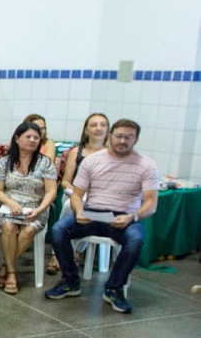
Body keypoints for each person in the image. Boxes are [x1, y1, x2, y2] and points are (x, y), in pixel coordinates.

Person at [45, 119, 159, 313]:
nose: (122, 140)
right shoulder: (92, 161)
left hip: (124, 216)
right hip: (92, 212)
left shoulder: (146, 165)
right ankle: (70, 281)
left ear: (136, 139)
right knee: (58, 230)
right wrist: (79, 211)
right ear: (110, 136)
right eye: (119, 136)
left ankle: (114, 288)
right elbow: (77, 195)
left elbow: (151, 203)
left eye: (128, 137)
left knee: (136, 239)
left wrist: (133, 217)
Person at [0, 122, 58, 294]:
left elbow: (51, 192)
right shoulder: (4, 162)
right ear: (17, 139)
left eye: (36, 137)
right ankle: (12, 273)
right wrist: (11, 203)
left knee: (28, 231)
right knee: (9, 227)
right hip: (8, 206)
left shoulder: (46, 163)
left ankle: (6, 267)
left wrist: (40, 209)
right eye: (28, 136)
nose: (32, 140)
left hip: (36, 208)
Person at [46, 112, 109, 274]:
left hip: (100, 197)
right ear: (86, 130)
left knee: (90, 207)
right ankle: (57, 253)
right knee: (70, 205)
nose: (98, 128)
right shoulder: (77, 152)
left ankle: (78, 250)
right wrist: (77, 192)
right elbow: (66, 181)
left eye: (103, 125)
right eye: (94, 125)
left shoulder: (111, 154)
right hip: (74, 191)